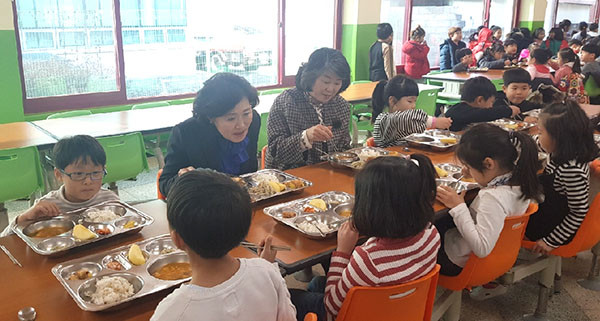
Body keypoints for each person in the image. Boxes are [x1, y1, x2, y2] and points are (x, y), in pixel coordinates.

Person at [289, 156, 441, 321]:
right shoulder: (432, 234)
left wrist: (343, 252)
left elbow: (330, 308)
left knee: (290, 296)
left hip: (359, 314)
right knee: (317, 283)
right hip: (401, 309)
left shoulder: (368, 260)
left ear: (374, 207)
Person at [150, 170, 296, 321]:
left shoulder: (170, 313)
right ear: (243, 231)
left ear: (177, 239)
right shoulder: (268, 272)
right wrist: (263, 265)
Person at [436, 123, 541, 278]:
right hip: (499, 255)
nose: (466, 170)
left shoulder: (492, 197)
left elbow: (482, 247)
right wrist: (474, 173)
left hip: (460, 261)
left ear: (489, 164)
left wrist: (458, 207)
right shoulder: (520, 179)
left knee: (429, 227)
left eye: (469, 167)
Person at [159, 73, 261, 197]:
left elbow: (250, 173)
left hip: (243, 202)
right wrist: (182, 179)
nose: (241, 125)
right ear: (211, 118)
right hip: (206, 205)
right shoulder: (186, 133)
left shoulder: (254, 120)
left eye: (246, 113)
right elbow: (165, 183)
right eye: (230, 118)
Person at [2, 135, 119, 236]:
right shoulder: (46, 206)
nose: (88, 181)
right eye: (78, 174)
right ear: (59, 175)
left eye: (95, 173)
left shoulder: (109, 200)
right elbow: (5, 239)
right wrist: (24, 218)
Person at [525, 101, 599, 254]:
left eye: (541, 132)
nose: (538, 137)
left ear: (558, 138)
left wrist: (550, 241)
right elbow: (536, 144)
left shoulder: (571, 170)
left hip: (553, 227)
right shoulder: (562, 151)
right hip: (548, 212)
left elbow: (578, 212)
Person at [266, 48, 351, 170]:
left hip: (330, 174)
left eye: (337, 83)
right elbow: (275, 150)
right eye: (326, 82)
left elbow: (344, 146)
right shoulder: (286, 101)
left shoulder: (341, 106)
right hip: (290, 177)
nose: (331, 89)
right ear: (311, 77)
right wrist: (306, 137)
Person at [370, 75, 452, 147]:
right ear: (392, 101)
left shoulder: (406, 122)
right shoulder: (384, 120)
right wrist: (434, 121)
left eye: (415, 101)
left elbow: (414, 125)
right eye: (410, 101)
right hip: (390, 161)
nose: (414, 105)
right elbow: (408, 118)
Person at [445, 77, 519, 131]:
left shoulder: (465, 110)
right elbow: (484, 114)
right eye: (491, 102)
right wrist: (508, 110)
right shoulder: (458, 111)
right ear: (480, 100)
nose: (491, 106)